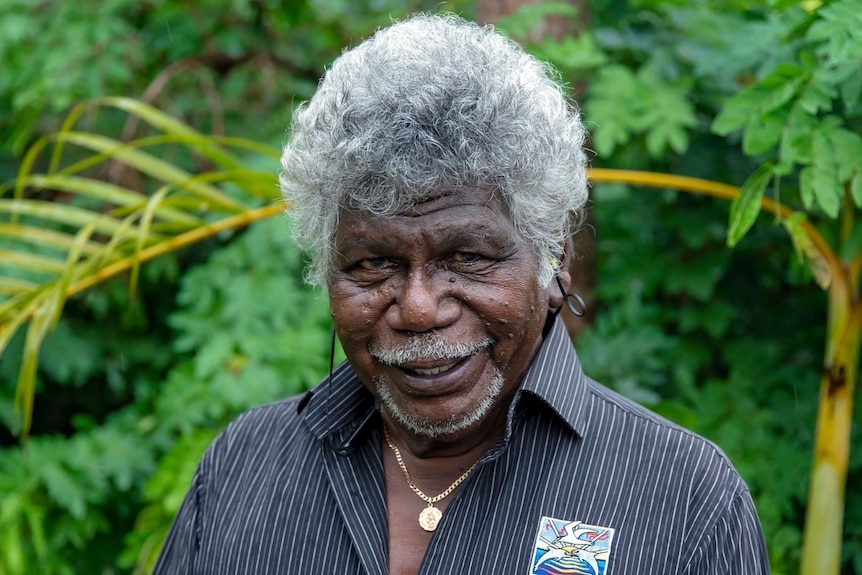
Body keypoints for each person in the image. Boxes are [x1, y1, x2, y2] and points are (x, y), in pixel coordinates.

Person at [153, 13, 769, 575]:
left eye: (467, 258)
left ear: (553, 260)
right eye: (374, 263)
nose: (419, 307)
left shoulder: (685, 501)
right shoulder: (244, 469)